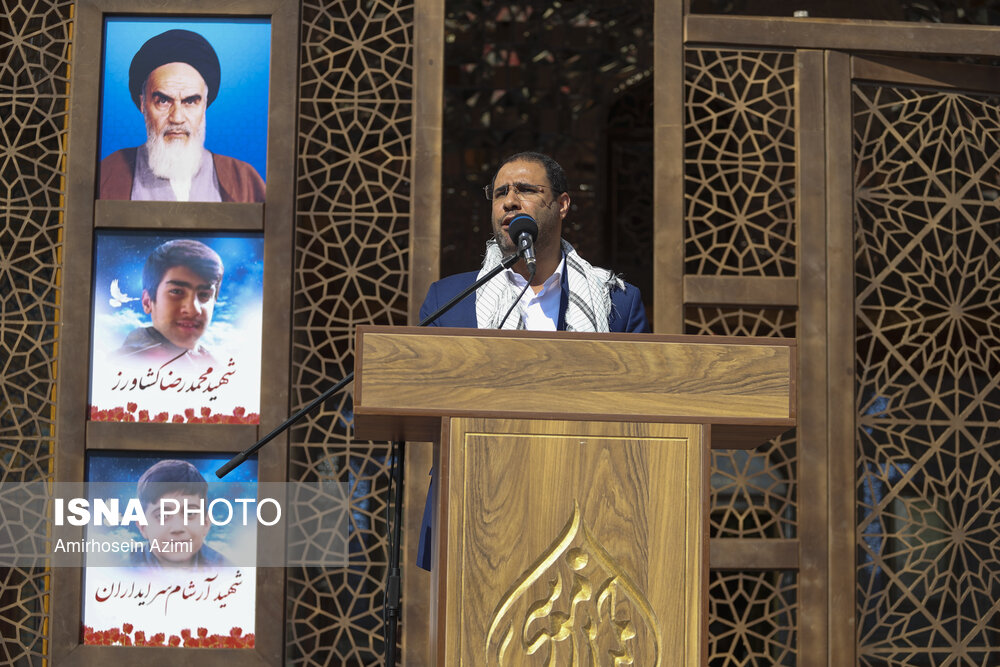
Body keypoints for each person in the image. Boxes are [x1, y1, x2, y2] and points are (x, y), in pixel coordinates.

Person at [416, 151, 651, 569]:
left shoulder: (616, 302)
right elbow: (423, 399)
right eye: (499, 193)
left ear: (562, 204)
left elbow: (638, 417)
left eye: (525, 189)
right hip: (473, 509)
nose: (509, 201)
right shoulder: (449, 301)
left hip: (585, 514)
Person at [99, 29, 266, 202]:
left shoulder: (243, 180)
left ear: (204, 105)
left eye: (190, 101)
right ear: (143, 103)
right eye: (163, 101)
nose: (177, 118)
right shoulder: (108, 174)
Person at [116, 239, 222, 368]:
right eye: (177, 292)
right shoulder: (125, 364)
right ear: (147, 302)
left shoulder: (214, 366)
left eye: (204, 295)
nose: (193, 309)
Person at [128, 459, 229, 568]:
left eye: (190, 514)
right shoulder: (119, 570)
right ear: (142, 527)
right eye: (163, 516)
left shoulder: (230, 571)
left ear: (206, 523)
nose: (177, 528)